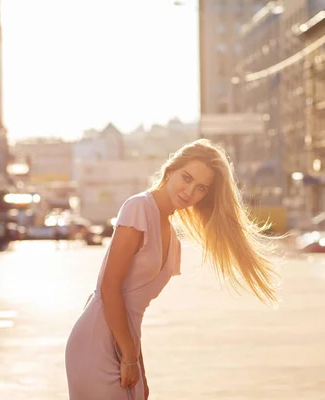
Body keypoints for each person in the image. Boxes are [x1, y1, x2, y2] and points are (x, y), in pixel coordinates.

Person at [65, 139, 281, 400]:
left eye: (200, 188)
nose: (189, 191)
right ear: (170, 170)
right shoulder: (138, 208)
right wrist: (131, 359)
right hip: (96, 342)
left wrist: (139, 369)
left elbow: (134, 312)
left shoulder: (171, 236)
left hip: (124, 344)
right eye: (186, 178)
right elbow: (109, 289)